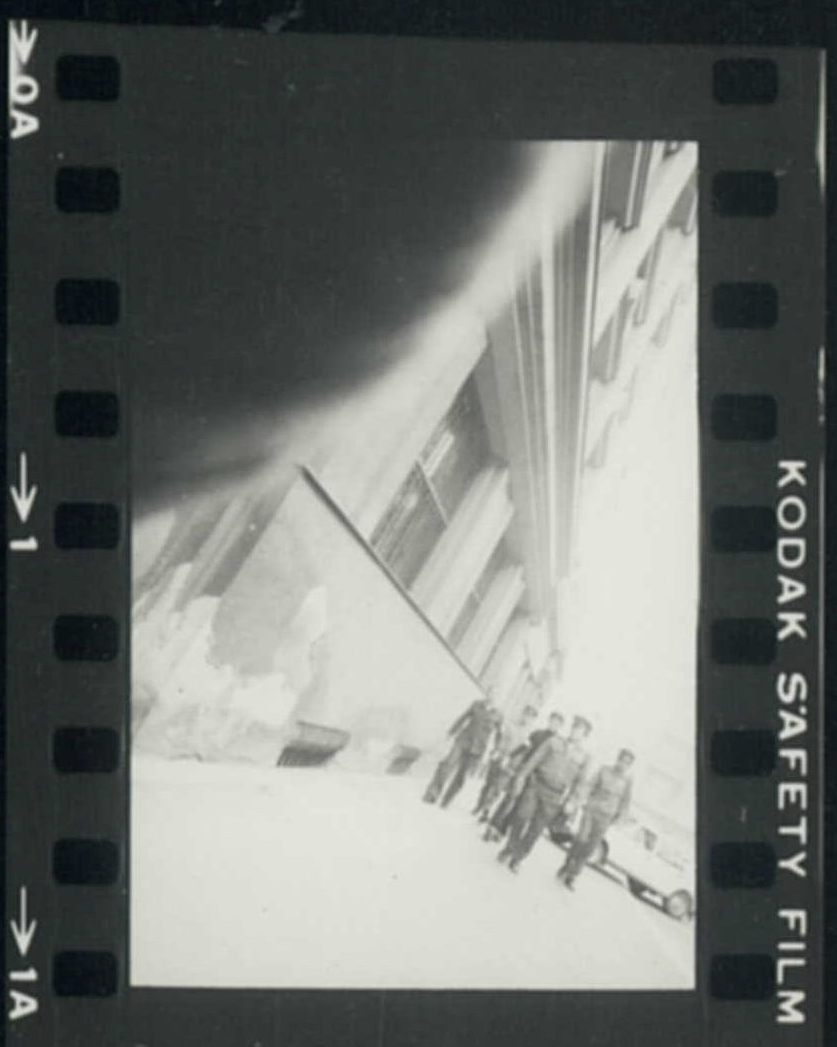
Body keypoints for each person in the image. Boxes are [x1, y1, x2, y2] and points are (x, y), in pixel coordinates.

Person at [498, 714, 593, 873]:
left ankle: (518, 858)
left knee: (536, 829)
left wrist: (572, 801)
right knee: (521, 816)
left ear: (585, 735)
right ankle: (510, 848)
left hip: (554, 796)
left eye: (579, 730)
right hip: (536, 785)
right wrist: (521, 777)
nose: (574, 731)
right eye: (574, 727)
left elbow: (581, 783)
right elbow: (535, 759)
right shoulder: (554, 741)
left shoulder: (584, 757)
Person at [482, 710, 566, 843]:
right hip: (523, 771)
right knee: (510, 798)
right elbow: (523, 747)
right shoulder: (537, 734)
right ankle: (492, 827)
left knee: (519, 807)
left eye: (557, 723)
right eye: (552, 721)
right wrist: (510, 757)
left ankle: (501, 831)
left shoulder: (558, 743)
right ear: (548, 721)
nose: (553, 724)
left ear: (560, 726)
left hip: (536, 779)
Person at [557, 747, 635, 890]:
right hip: (591, 811)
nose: (623, 764)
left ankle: (572, 875)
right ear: (617, 759)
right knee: (581, 838)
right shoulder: (604, 770)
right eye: (622, 760)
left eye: (627, 763)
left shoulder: (627, 782)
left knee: (590, 847)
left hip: (606, 818)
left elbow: (625, 803)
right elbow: (589, 785)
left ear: (629, 766)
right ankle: (567, 863)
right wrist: (581, 799)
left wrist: (618, 818)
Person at [422, 693, 498, 808]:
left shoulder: (498, 715)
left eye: (494, 695)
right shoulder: (476, 705)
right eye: (490, 693)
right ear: (487, 695)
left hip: (477, 749)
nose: (491, 697)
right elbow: (462, 718)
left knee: (461, 775)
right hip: (463, 741)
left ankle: (447, 800)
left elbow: (499, 735)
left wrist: (496, 749)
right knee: (447, 765)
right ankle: (432, 794)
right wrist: (451, 732)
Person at [472, 704, 538, 821]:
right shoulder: (510, 725)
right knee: (489, 783)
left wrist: (514, 762)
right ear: (522, 714)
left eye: (530, 717)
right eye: (526, 715)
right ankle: (479, 805)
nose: (527, 718)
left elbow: (525, 751)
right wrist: (496, 752)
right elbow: (501, 739)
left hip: (511, 764)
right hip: (499, 757)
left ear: (533, 720)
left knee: (497, 787)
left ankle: (486, 810)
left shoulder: (530, 735)